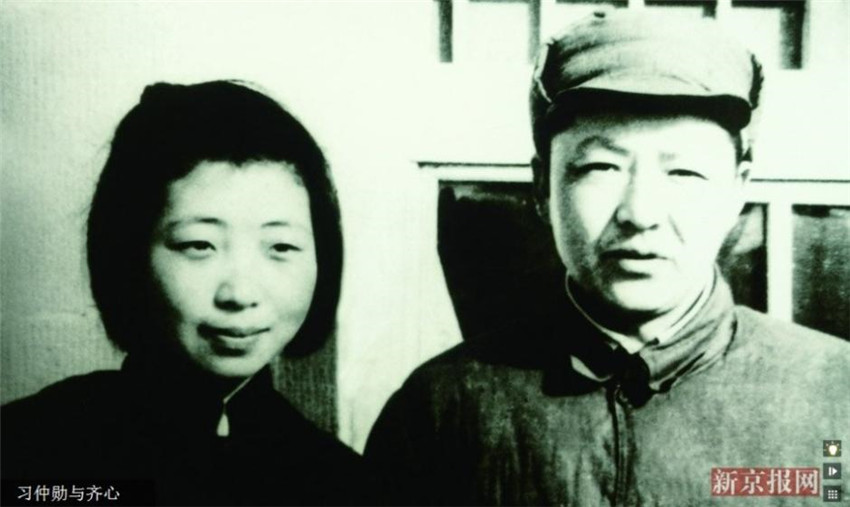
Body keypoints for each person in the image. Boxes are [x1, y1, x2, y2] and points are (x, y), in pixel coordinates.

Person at [364, 10, 850, 505]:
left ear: (737, 191)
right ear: (542, 187)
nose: (640, 214)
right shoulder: (440, 409)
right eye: (601, 166)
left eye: (683, 172)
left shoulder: (836, 395)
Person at [1, 81, 364, 506]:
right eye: (199, 245)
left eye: (281, 247)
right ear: (128, 253)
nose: (240, 293)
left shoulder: (346, 485)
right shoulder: (27, 451)